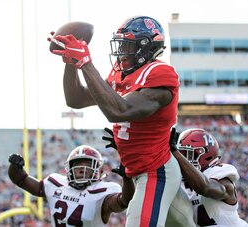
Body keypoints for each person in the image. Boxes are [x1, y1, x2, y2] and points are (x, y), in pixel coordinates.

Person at [49, 16, 195, 226]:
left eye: (128, 44)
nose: (121, 50)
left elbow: (119, 110)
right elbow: (76, 99)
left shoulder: (160, 74)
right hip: (138, 170)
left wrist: (85, 62)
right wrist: (71, 64)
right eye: (121, 43)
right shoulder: (121, 72)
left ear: (146, 47)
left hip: (156, 172)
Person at [8, 145, 134, 227]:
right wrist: (15, 166)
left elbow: (124, 201)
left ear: (98, 170)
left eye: (87, 166)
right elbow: (21, 180)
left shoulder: (103, 191)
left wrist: (127, 178)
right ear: (69, 168)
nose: (81, 169)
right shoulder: (55, 183)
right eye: (77, 165)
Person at [169, 128, 248, 226]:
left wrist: (175, 151)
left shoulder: (218, 174)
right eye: (182, 154)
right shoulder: (182, 183)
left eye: (187, 155)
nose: (183, 159)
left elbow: (205, 188)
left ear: (205, 155)